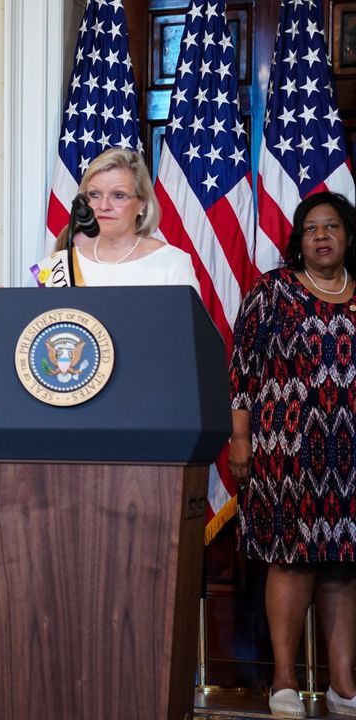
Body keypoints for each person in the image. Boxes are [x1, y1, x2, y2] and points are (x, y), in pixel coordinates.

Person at [228, 191, 356, 719]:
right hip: (286, 451)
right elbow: (242, 370)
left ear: (348, 235)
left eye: (331, 226)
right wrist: (241, 440)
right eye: (310, 228)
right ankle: (283, 679)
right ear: (298, 240)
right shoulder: (273, 291)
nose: (321, 235)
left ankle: (343, 685)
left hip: (350, 457)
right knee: (291, 560)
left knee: (343, 569)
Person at [49, 148, 199, 292]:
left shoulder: (174, 263)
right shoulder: (59, 266)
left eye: (118, 195)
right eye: (94, 194)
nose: (103, 206)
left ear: (142, 203)